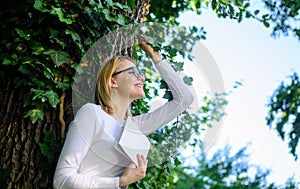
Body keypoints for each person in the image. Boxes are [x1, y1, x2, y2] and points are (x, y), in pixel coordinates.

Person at [53, 42, 194, 188]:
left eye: (141, 73)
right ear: (113, 81)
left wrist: (155, 56)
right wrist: (120, 181)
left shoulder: (135, 127)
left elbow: (185, 99)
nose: (142, 78)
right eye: (133, 72)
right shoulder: (92, 114)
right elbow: (62, 180)